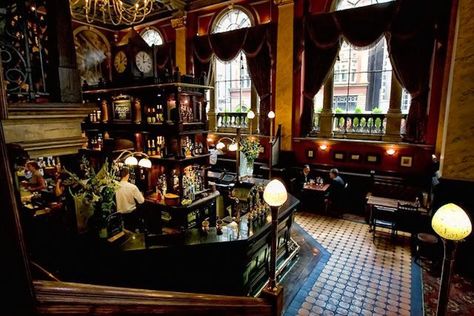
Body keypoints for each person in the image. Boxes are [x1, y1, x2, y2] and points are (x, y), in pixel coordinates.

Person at [115, 168, 145, 232]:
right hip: (131, 215)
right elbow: (141, 201)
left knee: (122, 233)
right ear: (128, 175)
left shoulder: (115, 186)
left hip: (119, 215)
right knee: (131, 233)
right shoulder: (132, 187)